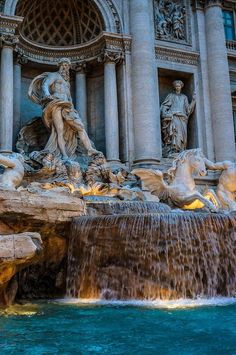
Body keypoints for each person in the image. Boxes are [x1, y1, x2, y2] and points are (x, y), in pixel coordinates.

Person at [28, 58, 98, 160]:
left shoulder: (67, 83)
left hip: (67, 107)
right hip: (56, 104)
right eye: (63, 65)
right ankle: (64, 155)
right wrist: (47, 94)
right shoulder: (54, 75)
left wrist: (73, 109)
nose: (65, 68)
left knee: (80, 126)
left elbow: (69, 97)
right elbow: (45, 84)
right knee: (59, 130)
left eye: (67, 66)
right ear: (60, 66)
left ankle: (90, 149)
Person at [161, 80, 196, 155]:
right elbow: (165, 106)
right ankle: (174, 150)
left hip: (182, 118)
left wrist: (193, 100)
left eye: (179, 86)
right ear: (174, 87)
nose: (177, 87)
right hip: (174, 117)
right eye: (176, 86)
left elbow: (188, 110)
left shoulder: (184, 97)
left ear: (181, 87)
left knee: (182, 135)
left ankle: (181, 149)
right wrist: (166, 113)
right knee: (175, 133)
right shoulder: (171, 96)